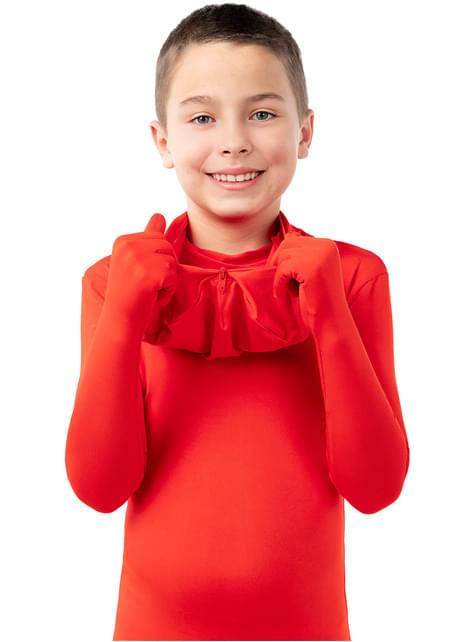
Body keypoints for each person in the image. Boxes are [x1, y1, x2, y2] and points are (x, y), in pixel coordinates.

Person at [64, 3, 410, 640]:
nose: (234, 141)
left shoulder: (354, 276)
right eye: (202, 117)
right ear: (163, 141)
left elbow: (376, 488)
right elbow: (99, 488)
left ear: (305, 132)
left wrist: (332, 320)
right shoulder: (111, 282)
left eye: (262, 113)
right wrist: (123, 320)